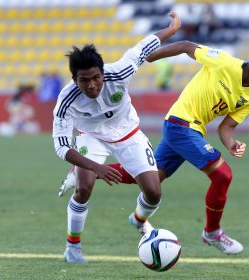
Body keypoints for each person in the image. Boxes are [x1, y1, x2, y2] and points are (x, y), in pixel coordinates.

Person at [60, 37, 249, 255]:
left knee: (152, 177)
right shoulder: (224, 61)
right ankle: (212, 232)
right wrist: (151, 57)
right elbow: (187, 46)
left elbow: (226, 128)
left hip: (193, 130)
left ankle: (89, 174)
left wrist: (231, 144)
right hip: (180, 123)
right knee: (222, 175)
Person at [52, 11, 181, 263]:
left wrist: (172, 28)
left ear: (103, 71)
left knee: (154, 192)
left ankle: (138, 219)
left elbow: (144, 47)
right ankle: (73, 247)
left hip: (128, 132)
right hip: (91, 136)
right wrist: (95, 167)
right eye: (84, 80)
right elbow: (60, 146)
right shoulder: (66, 100)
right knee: (84, 188)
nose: (92, 85)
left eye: (96, 78)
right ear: (74, 79)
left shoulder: (120, 72)